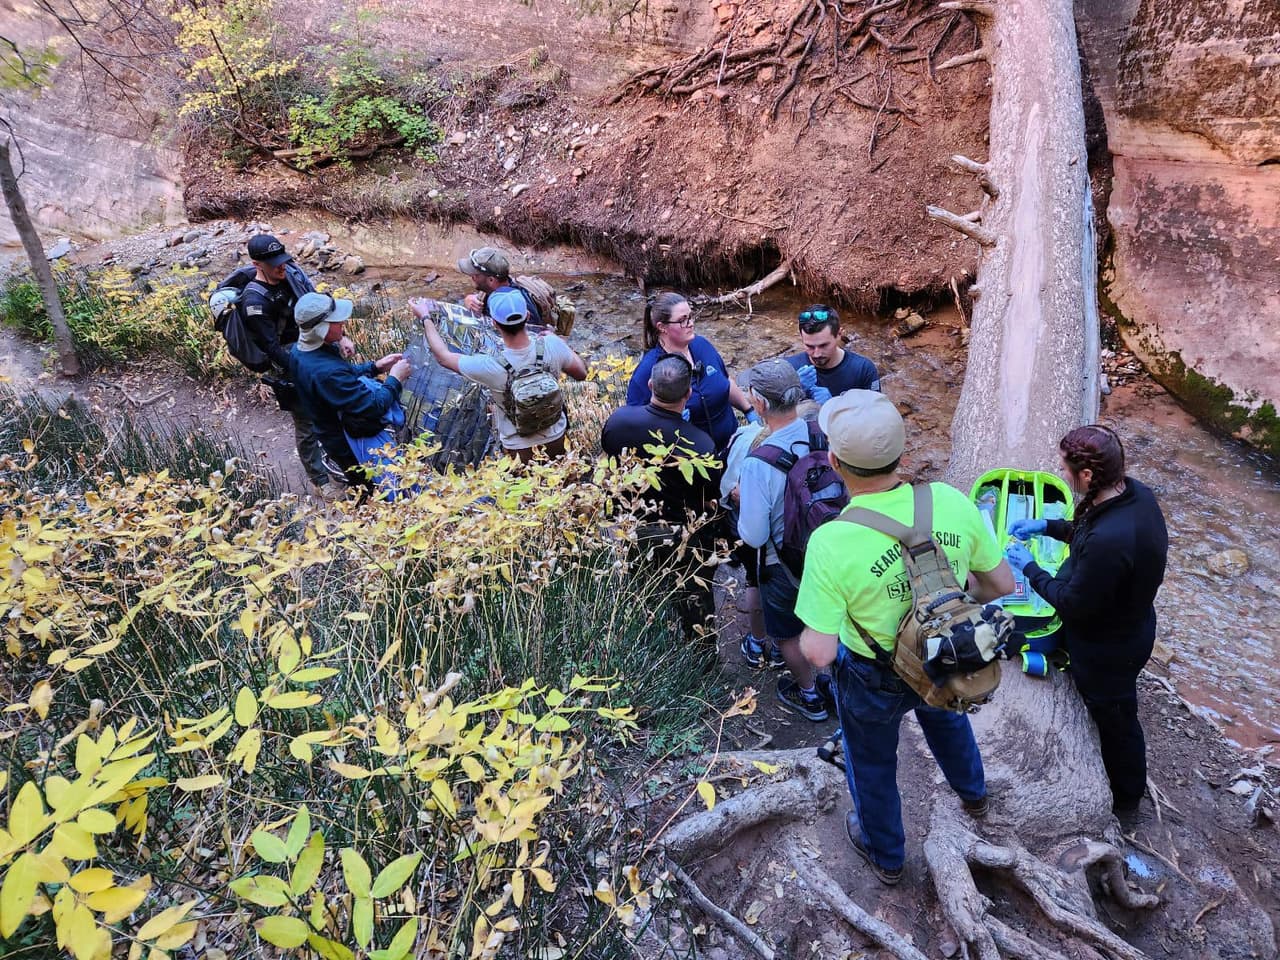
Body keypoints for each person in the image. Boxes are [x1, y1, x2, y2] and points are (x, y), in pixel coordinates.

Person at [796, 390, 1015, 886]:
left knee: (871, 761)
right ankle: (973, 792)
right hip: (944, 652)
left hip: (871, 674)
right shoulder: (950, 500)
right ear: (904, 454)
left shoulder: (832, 540)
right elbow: (1000, 584)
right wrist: (955, 607)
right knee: (945, 714)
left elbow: (820, 650)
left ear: (834, 462)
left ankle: (886, 854)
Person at [1005, 424, 1168, 818]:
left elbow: (1072, 604)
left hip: (1108, 650)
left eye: (1065, 469)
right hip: (1127, 622)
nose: (1062, 475)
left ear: (1088, 475)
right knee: (1113, 708)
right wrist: (1046, 527)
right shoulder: (1134, 494)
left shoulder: (1111, 542)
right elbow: (1086, 531)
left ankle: (1127, 798)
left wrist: (1028, 568)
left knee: (1117, 720)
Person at [602, 354, 720, 643]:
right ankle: (702, 656)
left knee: (644, 589)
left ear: (651, 384)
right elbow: (708, 499)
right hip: (682, 531)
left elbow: (609, 464)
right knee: (694, 595)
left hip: (634, 523)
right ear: (689, 394)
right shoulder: (700, 443)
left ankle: (649, 643)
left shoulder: (619, 421)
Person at [736, 359, 830, 720]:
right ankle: (834, 683)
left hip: (783, 565)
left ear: (758, 403)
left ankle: (809, 696)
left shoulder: (759, 462)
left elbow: (755, 534)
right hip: (826, 550)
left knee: (789, 635)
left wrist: (742, 500)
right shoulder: (821, 433)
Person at [240, 233, 355, 495]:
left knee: (336, 409)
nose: (282, 266)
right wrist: (305, 370)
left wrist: (341, 337)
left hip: (318, 349)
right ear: (258, 265)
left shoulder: (291, 273)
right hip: (292, 364)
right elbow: (270, 347)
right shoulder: (254, 302)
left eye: (283, 260)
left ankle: (343, 463)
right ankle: (320, 481)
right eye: (274, 264)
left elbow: (320, 306)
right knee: (307, 423)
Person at [415, 289, 588, 462]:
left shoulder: (490, 365)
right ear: (527, 316)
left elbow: (443, 357)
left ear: (495, 324)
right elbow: (581, 373)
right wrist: (558, 342)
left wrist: (425, 317)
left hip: (518, 447)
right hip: (557, 436)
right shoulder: (551, 344)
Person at [289, 293, 410, 493]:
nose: (343, 322)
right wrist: (395, 379)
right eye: (336, 321)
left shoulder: (301, 351)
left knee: (361, 485)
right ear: (321, 329)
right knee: (373, 490)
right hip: (348, 444)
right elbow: (374, 406)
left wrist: (375, 367)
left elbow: (344, 378)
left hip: (328, 433)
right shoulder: (326, 372)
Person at [626, 292, 756, 453]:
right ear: (662, 327)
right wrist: (667, 424)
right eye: (682, 320)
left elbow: (725, 380)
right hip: (691, 461)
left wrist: (749, 411)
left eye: (690, 316)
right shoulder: (648, 371)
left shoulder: (702, 346)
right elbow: (636, 427)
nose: (690, 323)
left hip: (732, 446)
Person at [785, 304, 880, 403]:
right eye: (810, 346)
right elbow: (772, 413)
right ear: (801, 337)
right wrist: (794, 391)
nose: (816, 354)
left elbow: (878, 414)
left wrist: (834, 405)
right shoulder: (788, 368)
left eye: (823, 345)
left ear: (839, 335)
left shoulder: (863, 370)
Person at [457, 246, 546, 330]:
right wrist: (467, 301)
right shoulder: (489, 291)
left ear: (491, 280)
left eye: (475, 275)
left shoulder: (517, 304)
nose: (472, 277)